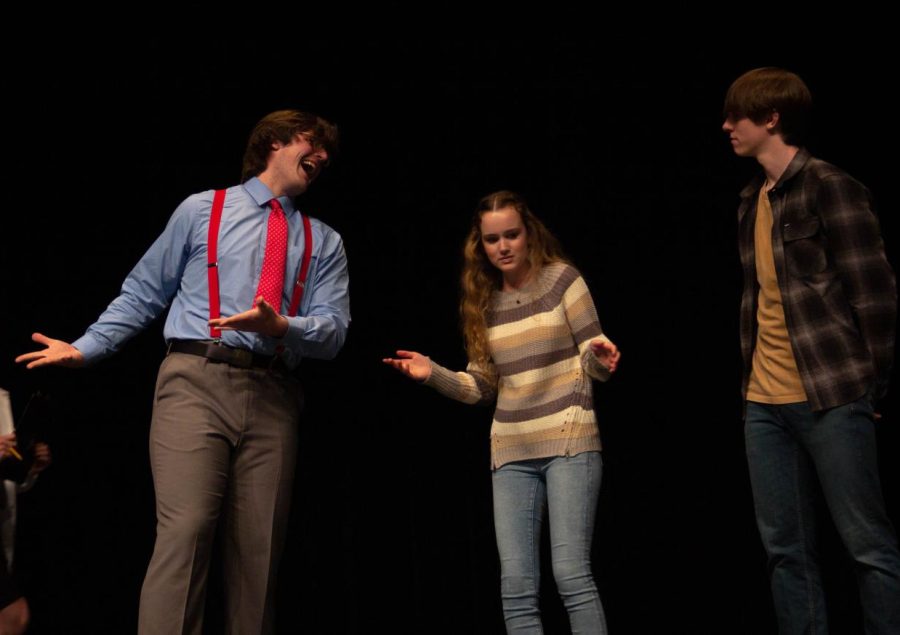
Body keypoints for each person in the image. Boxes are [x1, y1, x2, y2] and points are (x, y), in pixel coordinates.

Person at [16, 109, 351, 633]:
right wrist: (86, 348)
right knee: (186, 532)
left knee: (259, 554)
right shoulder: (203, 210)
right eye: (313, 143)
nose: (324, 156)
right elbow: (145, 291)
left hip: (274, 393)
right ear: (273, 143)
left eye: (328, 152)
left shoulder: (324, 241)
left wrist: (283, 325)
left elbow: (333, 333)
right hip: (197, 379)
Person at [384, 190, 620, 633]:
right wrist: (430, 373)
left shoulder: (563, 281)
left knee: (570, 574)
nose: (503, 247)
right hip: (511, 453)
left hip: (569, 442)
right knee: (516, 587)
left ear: (529, 233)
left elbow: (591, 353)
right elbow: (482, 388)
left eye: (512, 235)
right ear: (481, 244)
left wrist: (601, 359)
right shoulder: (483, 302)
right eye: (493, 240)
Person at [723, 67, 900, 633]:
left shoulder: (830, 186)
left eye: (737, 116)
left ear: (771, 119)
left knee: (867, 546)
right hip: (763, 405)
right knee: (785, 552)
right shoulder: (751, 200)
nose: (726, 126)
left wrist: (868, 388)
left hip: (831, 396)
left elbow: (874, 297)